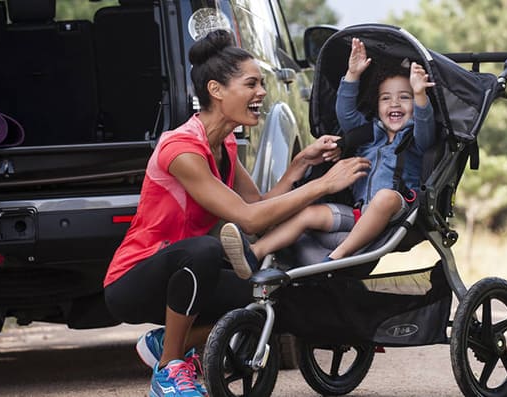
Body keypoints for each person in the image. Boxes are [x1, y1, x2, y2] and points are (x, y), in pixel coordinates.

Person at [102, 30, 370, 397]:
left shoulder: (223, 144)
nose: (261, 92)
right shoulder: (181, 149)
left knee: (270, 293)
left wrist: (298, 167)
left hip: (190, 274)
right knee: (205, 250)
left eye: (261, 83)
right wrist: (322, 186)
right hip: (135, 278)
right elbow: (248, 220)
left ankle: (166, 343)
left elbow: (260, 207)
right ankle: (168, 370)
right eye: (251, 84)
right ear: (216, 90)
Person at [220, 36, 435, 271]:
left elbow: (426, 131)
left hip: (395, 210)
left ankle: (335, 257)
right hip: (357, 213)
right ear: (377, 105)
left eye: (405, 97)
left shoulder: (415, 136)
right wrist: (352, 76)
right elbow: (346, 115)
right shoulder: (371, 132)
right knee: (309, 213)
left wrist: (420, 94)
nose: (394, 104)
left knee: (385, 196)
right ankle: (253, 254)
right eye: (386, 98)